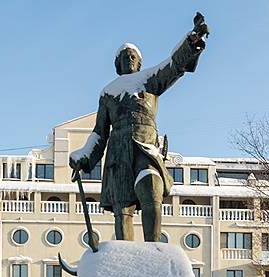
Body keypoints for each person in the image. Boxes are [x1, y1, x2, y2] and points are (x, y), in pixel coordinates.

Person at [69, 13, 209, 242]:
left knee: (151, 186)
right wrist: (84, 156)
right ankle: (125, 256)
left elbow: (173, 65)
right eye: (124, 57)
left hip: (145, 146)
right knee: (122, 206)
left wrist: (191, 42)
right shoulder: (108, 92)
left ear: (140, 62)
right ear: (117, 64)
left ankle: (153, 251)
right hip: (118, 152)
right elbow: (99, 132)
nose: (129, 59)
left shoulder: (149, 80)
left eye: (133, 56)